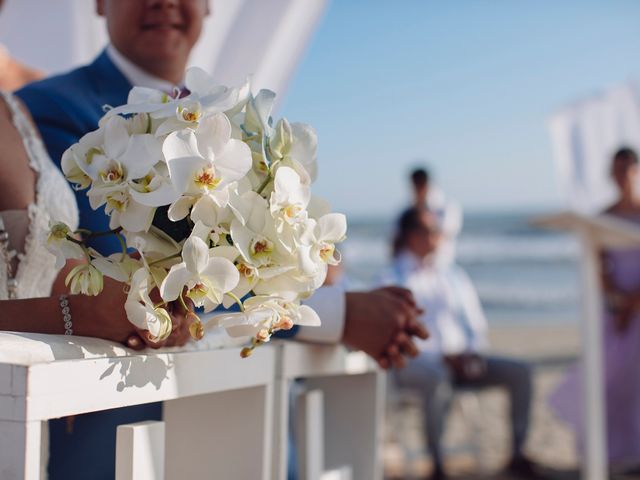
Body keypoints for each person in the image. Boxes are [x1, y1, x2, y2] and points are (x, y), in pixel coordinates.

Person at [16, 1, 427, 477]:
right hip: (129, 440)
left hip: (253, 434)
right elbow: (120, 278)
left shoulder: (238, 121)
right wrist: (334, 313)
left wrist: (310, 276)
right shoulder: (53, 109)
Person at [381, 208, 537, 480]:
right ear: (411, 236)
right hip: (418, 366)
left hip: (463, 361)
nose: (438, 237)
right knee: (437, 377)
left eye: (437, 231)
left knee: (520, 372)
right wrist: (439, 357)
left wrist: (471, 353)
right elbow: (394, 336)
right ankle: (437, 463)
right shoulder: (391, 278)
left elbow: (475, 323)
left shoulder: (452, 274)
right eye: (431, 231)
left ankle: (517, 453)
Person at [550, 147, 640, 471]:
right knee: (604, 381)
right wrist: (620, 303)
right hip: (614, 313)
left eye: (628, 168)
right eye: (617, 169)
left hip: (635, 311)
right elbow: (599, 268)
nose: (623, 175)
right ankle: (610, 455)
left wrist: (634, 304)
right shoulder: (601, 219)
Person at [400, 167, 462, 266]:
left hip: (441, 262)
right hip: (414, 265)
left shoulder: (445, 207)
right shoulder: (407, 208)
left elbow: (446, 233)